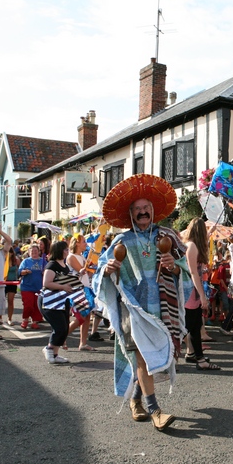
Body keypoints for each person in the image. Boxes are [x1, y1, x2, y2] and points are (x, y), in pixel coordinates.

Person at [94, 174, 189, 432]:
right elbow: (99, 271)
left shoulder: (167, 236)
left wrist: (175, 268)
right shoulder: (121, 241)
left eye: (146, 207)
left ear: (153, 210)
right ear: (131, 214)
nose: (143, 212)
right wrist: (109, 269)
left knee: (156, 357)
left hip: (162, 309)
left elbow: (187, 270)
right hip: (132, 310)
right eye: (137, 209)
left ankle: (135, 399)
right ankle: (155, 409)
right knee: (142, 359)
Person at [181, 218, 220, 371]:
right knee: (189, 326)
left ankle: (194, 354)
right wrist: (202, 296)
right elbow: (193, 273)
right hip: (190, 292)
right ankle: (199, 359)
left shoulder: (192, 245)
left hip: (192, 292)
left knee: (193, 326)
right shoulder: (191, 247)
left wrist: (210, 232)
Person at [40, 241, 77, 365]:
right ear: (59, 251)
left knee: (65, 328)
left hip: (61, 300)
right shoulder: (51, 265)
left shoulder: (64, 265)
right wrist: (63, 287)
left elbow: (66, 280)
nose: (67, 251)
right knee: (59, 327)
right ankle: (49, 349)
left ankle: (55, 355)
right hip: (49, 300)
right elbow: (46, 283)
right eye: (65, 250)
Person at [65, 234, 96, 352]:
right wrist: (87, 268)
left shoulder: (82, 257)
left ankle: (83, 343)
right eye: (83, 241)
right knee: (81, 317)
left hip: (85, 287)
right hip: (77, 289)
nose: (85, 244)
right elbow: (80, 270)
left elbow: (88, 274)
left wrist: (91, 268)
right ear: (77, 243)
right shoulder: (71, 257)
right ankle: (61, 337)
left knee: (87, 316)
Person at [18, 244, 44, 329]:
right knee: (28, 305)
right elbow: (19, 272)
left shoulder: (43, 261)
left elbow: (47, 271)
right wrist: (25, 271)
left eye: (36, 251)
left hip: (39, 287)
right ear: (29, 252)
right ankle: (25, 319)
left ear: (39, 252)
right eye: (32, 251)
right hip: (27, 287)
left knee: (37, 305)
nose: (34, 252)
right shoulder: (25, 261)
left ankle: (35, 321)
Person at [3, 249, 20, 326]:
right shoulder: (1, 260)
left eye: (10, 252)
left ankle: (9, 318)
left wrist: (19, 277)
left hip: (12, 282)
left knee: (10, 300)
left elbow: (19, 270)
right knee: (1, 301)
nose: (9, 253)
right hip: (3, 282)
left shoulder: (16, 260)